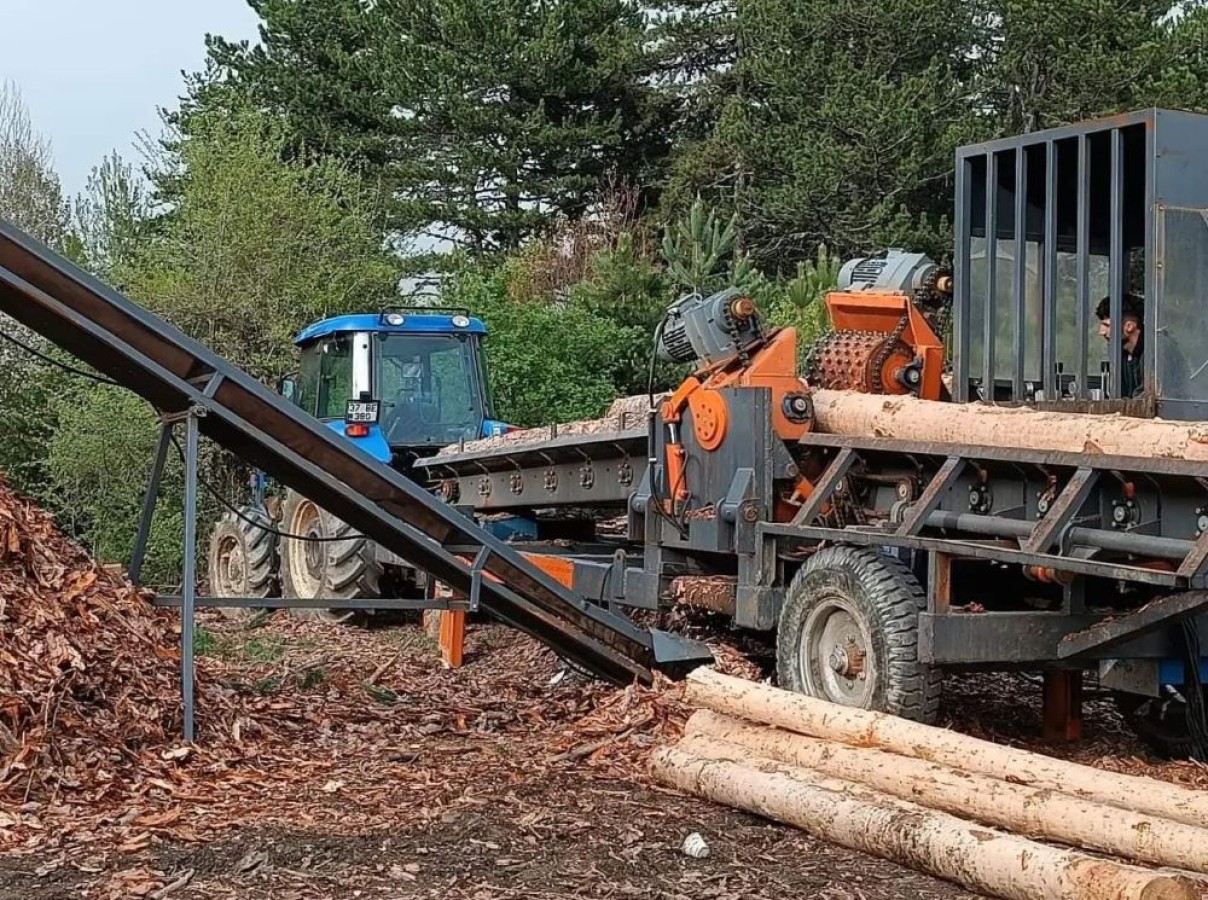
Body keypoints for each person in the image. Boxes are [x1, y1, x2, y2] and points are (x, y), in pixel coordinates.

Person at [1095, 292, 1146, 398]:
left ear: (1129, 326)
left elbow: (1146, 401)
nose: (1101, 332)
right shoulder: (1123, 355)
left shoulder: (1155, 354)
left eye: (1106, 325)